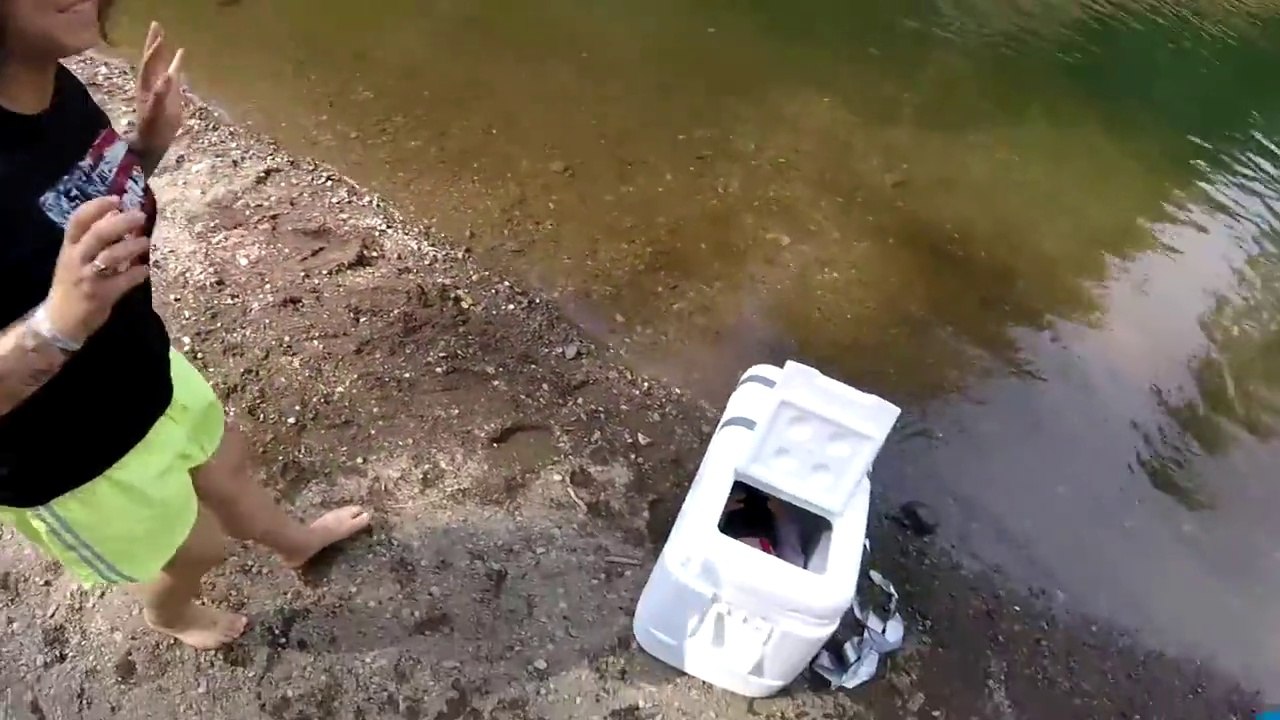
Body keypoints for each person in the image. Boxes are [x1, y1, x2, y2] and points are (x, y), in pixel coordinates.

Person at [0, 0, 372, 650]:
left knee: (230, 465)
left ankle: (297, 543)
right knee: (198, 548)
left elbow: (67, 209)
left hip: (140, 366)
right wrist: (59, 322)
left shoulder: (48, 83)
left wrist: (146, 144)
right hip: (63, 456)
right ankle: (169, 613)